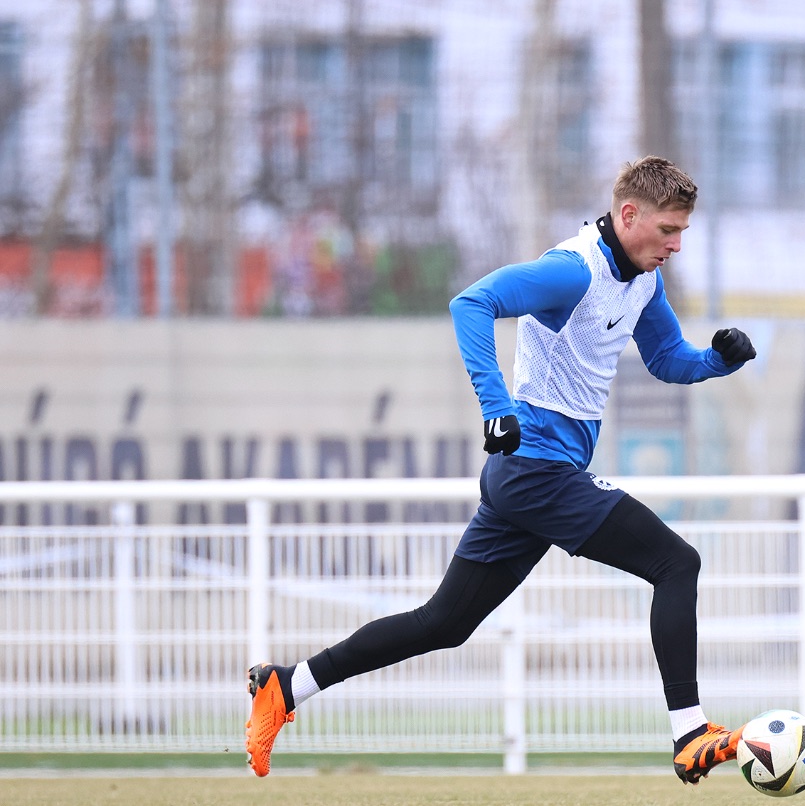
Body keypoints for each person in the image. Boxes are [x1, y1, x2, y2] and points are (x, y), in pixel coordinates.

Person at [244, 156, 757, 783]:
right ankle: (690, 732)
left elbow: (667, 357)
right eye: (668, 230)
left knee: (445, 623)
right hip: (536, 472)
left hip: (531, 478)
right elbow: (472, 302)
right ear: (629, 215)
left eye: (682, 232)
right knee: (677, 563)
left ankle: (288, 685)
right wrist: (496, 407)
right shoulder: (573, 271)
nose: (676, 245)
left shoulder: (643, 281)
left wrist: (717, 361)